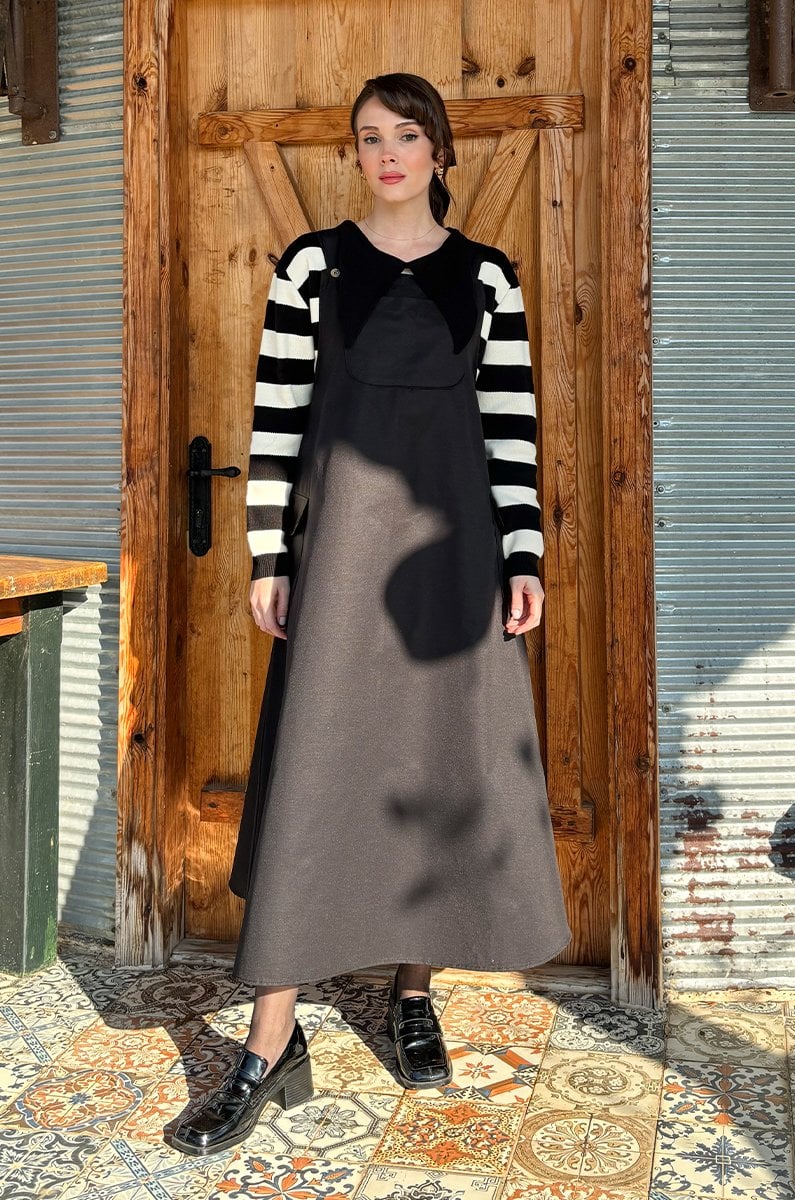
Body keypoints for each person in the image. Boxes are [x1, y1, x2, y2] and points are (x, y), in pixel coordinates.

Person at [168, 71, 571, 1159]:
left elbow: (510, 429)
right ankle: (270, 1040)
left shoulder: (488, 278)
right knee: (318, 772)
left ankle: (411, 991)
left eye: (405, 135)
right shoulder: (312, 267)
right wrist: (268, 554)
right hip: (340, 559)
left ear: (438, 149)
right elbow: (276, 419)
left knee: (436, 760)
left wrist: (523, 555)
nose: (385, 154)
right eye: (368, 138)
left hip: (455, 563)